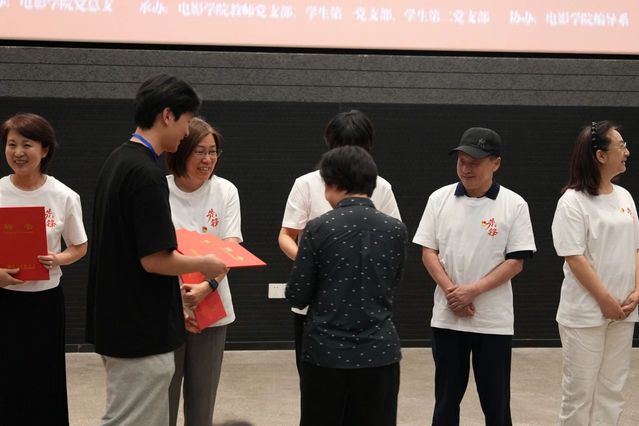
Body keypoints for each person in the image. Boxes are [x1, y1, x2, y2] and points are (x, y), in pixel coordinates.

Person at [86, 75, 227, 426]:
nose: (186, 132)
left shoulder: (118, 160)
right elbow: (154, 259)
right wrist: (208, 263)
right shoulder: (146, 173)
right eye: (185, 122)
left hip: (118, 321)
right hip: (139, 330)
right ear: (167, 115)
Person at [413, 127, 536, 426]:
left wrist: (473, 291)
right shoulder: (439, 199)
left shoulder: (514, 204)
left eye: (475, 162)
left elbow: (516, 261)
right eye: (462, 161)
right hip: (448, 317)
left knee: (496, 402)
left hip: (493, 321)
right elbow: (428, 251)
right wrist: (453, 293)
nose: (466, 168)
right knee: (445, 400)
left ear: (496, 163)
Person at [286, 145, 407, 426]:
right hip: (380, 352)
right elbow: (393, 281)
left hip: (326, 353)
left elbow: (297, 293)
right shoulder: (396, 230)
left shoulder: (318, 228)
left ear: (332, 184)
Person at [278, 109, 401, 375]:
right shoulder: (306, 183)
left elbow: (392, 243)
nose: (349, 155)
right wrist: (312, 263)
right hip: (315, 305)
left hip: (366, 305)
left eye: (357, 148)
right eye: (342, 147)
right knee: (315, 379)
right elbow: (286, 235)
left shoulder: (382, 187)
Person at [0, 113, 88, 426]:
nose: (18, 152)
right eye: (11, 144)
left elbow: (79, 246)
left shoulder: (63, 195)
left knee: (43, 378)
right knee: (6, 378)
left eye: (27, 144)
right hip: (4, 301)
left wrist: (58, 259)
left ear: (45, 149)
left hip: (45, 302)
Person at [551, 121, 638, 425]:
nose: (627, 151)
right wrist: (604, 300)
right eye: (621, 145)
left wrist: (636, 292)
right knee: (579, 394)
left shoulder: (625, 197)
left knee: (612, 391)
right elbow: (574, 256)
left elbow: (635, 248)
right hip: (585, 313)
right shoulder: (572, 201)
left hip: (624, 310)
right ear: (601, 155)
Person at [166, 117, 242, 426]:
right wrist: (181, 297)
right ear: (181, 151)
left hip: (212, 305)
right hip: (167, 305)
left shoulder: (225, 190)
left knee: (202, 401)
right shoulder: (158, 189)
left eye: (213, 151)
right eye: (199, 151)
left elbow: (231, 247)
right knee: (163, 400)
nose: (208, 159)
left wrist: (206, 286)